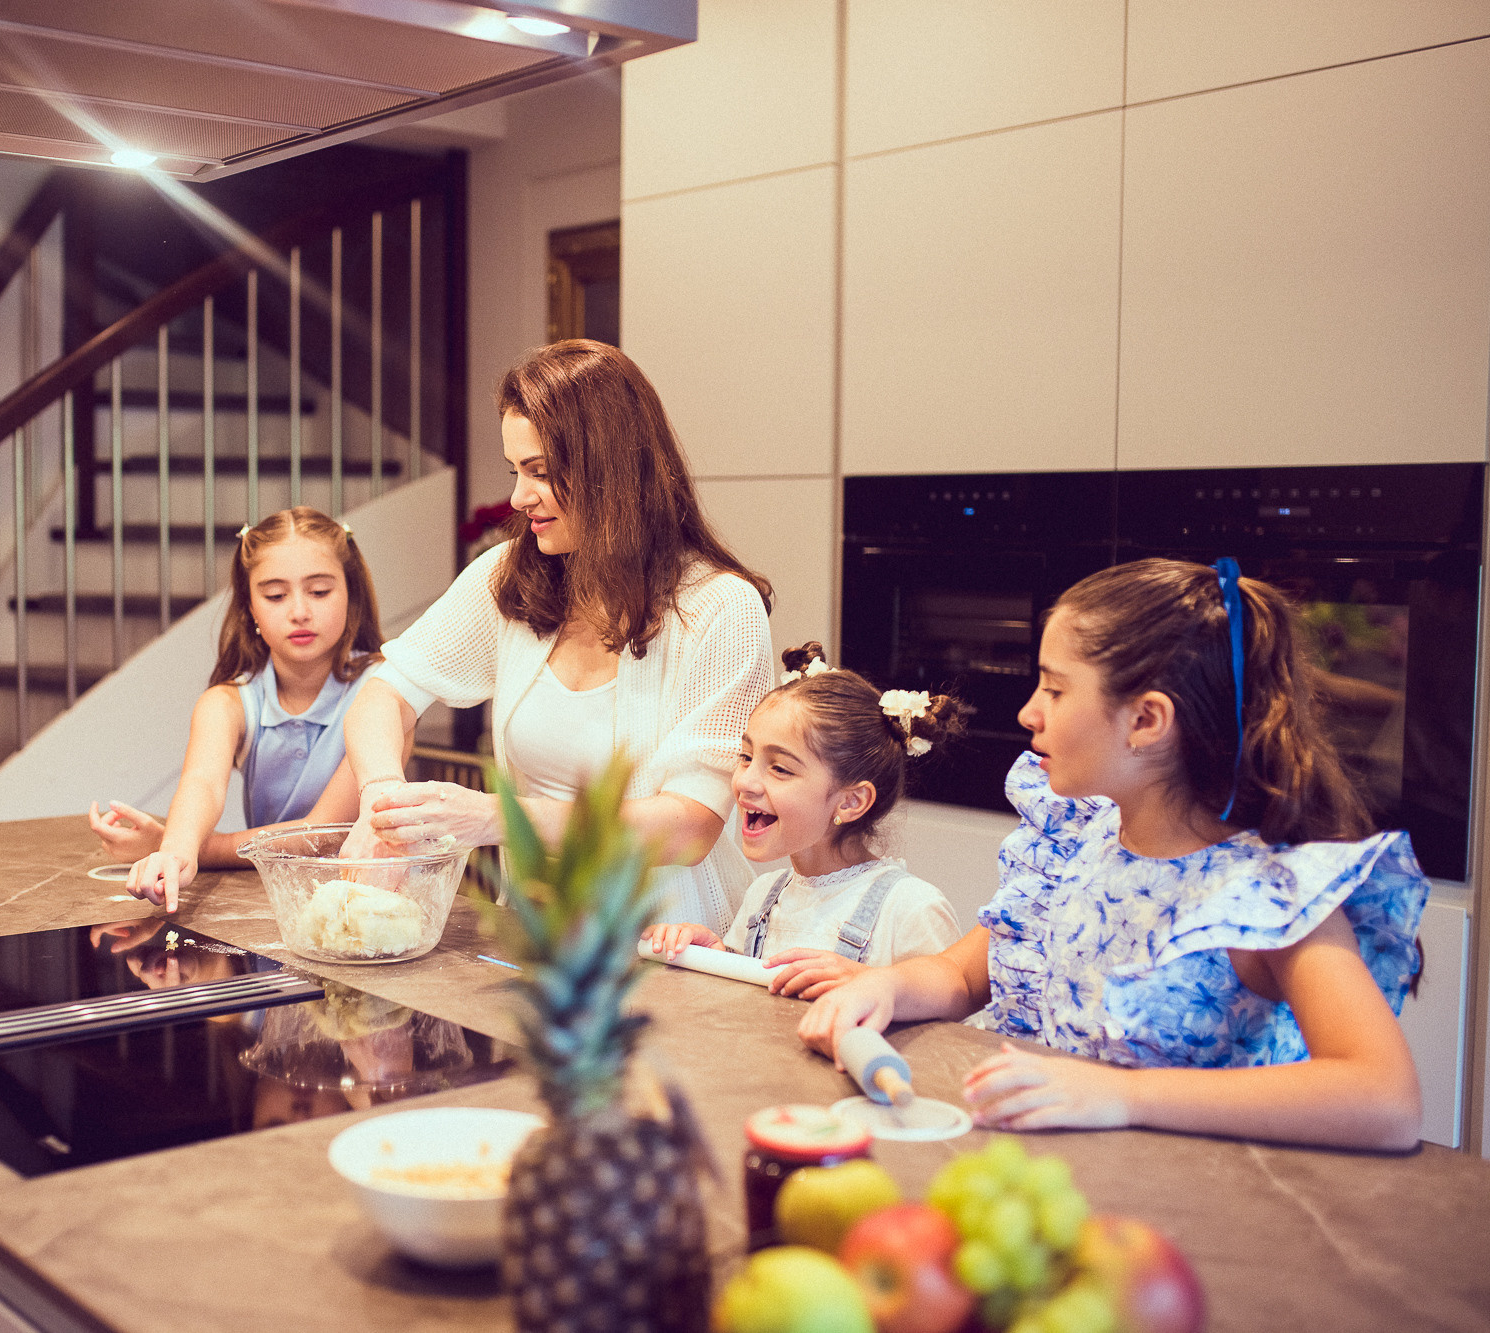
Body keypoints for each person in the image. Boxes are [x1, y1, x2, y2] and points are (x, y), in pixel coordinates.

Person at [801, 558, 1429, 1152]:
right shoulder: (1079, 838)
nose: (1028, 712)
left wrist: (1122, 1095)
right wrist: (884, 986)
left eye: (1054, 689)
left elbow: (1383, 1099)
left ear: (1147, 721)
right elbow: (965, 975)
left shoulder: (1269, 894)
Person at [339, 340, 776, 929]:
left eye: (540, 472)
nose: (519, 498)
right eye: (515, 471)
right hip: (536, 940)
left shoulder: (720, 609)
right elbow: (386, 692)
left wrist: (498, 817)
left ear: (612, 469)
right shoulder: (508, 578)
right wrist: (380, 797)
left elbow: (689, 828)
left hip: (672, 948)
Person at [89, 506, 386, 909]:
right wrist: (175, 851)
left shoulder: (385, 689)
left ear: (351, 596)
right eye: (276, 595)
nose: (299, 611)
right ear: (250, 608)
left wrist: (189, 847)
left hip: (373, 901)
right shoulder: (226, 702)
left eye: (319, 591)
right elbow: (203, 784)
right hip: (275, 903)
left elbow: (325, 834)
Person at [643, 644, 966, 993]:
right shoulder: (762, 895)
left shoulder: (911, 910)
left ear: (851, 802)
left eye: (780, 768)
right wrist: (718, 957)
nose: (745, 782)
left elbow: (949, 1041)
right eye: (746, 756)